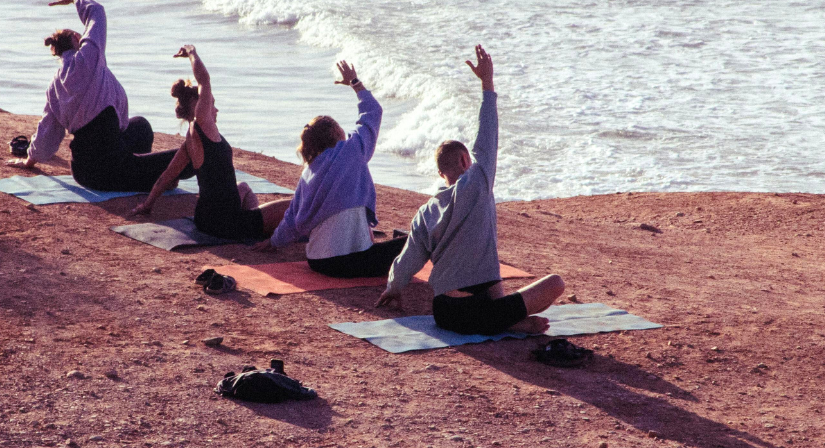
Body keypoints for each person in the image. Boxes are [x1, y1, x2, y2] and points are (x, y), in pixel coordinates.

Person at [376, 45, 564, 334]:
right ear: (466, 161)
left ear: (441, 173)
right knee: (555, 284)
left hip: (445, 314)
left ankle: (508, 322)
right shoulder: (477, 181)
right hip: (476, 313)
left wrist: (393, 287)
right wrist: (487, 84)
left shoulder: (426, 211)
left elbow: (408, 260)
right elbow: (487, 136)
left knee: (491, 276)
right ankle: (509, 323)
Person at [5, 0, 178, 192]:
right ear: (77, 38)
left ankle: (145, 173)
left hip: (84, 172)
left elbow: (47, 130)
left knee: (140, 126)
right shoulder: (89, 57)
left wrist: (29, 161)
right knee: (188, 155)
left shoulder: (54, 86)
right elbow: (97, 12)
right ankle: (149, 177)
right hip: (107, 170)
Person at [253, 61, 405, 278]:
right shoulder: (353, 150)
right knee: (418, 239)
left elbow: (292, 218)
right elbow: (373, 111)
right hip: (351, 262)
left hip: (317, 261)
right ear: (336, 131)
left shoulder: (308, 173)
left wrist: (273, 242)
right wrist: (355, 83)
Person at [131, 44, 291, 241]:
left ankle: (252, 224)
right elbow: (204, 80)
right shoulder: (203, 124)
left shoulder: (189, 141)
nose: (216, 109)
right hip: (226, 222)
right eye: (212, 104)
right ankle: (252, 228)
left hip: (205, 219)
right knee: (293, 205)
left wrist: (147, 206)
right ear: (200, 107)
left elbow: (166, 177)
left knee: (244, 188)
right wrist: (192, 54)